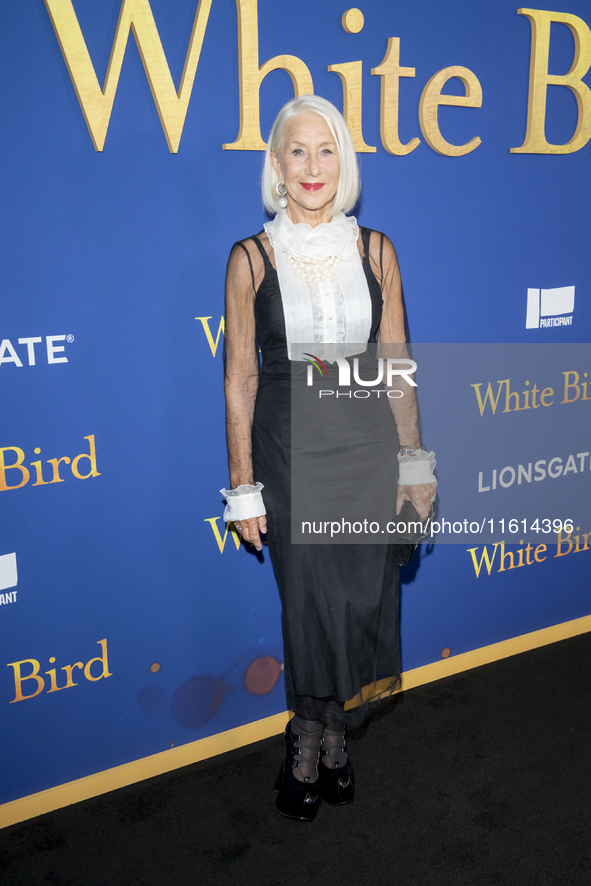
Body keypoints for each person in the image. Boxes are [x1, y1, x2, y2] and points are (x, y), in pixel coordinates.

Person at [221, 95, 436, 821]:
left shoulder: (376, 249)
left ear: (342, 163)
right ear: (276, 166)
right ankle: (306, 741)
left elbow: (396, 359)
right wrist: (243, 486)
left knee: (361, 604)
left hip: (369, 451)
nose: (312, 166)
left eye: (326, 150)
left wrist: (414, 461)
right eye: (296, 151)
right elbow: (240, 378)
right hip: (289, 457)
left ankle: (337, 738)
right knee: (310, 608)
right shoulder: (250, 259)